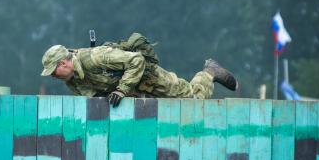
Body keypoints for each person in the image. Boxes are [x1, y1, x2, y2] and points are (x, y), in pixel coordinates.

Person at [41, 43, 238, 107]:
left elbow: (136, 60)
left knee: (193, 101)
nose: (52, 76)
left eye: (53, 71)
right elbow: (95, 101)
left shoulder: (96, 57)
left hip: (148, 78)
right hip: (133, 96)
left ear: (63, 63)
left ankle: (210, 71)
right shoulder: (72, 81)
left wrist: (121, 89)